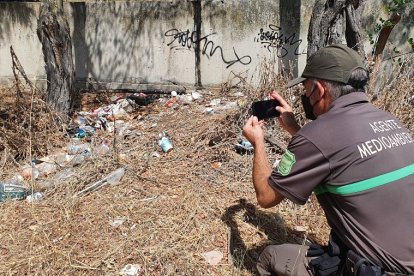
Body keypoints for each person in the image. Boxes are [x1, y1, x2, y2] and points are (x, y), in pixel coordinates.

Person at [242, 44, 414, 275]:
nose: (305, 96)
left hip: (383, 270)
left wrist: (258, 142)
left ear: (320, 89)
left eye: (306, 89)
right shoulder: (390, 121)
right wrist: (296, 130)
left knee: (270, 257)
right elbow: (337, 154)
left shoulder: (318, 135)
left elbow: (266, 196)